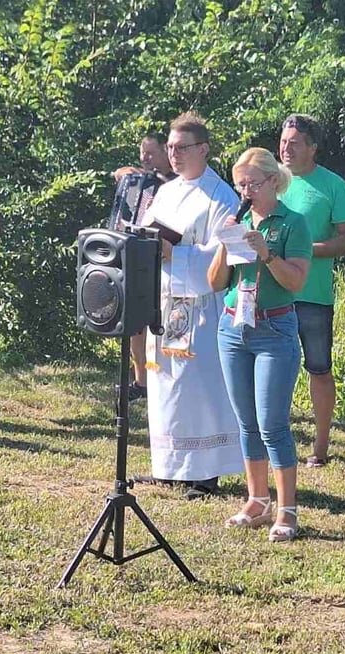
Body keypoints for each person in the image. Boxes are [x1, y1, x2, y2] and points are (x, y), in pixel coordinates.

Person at [139, 112, 243, 500]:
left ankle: (205, 473)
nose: (174, 154)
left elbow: (221, 259)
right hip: (166, 302)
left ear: (203, 149)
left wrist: (175, 253)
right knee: (166, 385)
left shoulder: (221, 197)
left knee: (197, 389)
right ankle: (169, 466)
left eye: (182, 148)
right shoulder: (166, 191)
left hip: (200, 306)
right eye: (170, 147)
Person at [209, 147, 311, 541]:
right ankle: (257, 499)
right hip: (233, 328)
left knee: (272, 423)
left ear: (274, 181)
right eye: (240, 184)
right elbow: (216, 283)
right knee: (246, 422)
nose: (246, 190)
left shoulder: (293, 223)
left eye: (252, 182)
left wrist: (265, 253)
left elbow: (296, 282)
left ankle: (287, 509)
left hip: (275, 328)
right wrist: (224, 241)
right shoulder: (238, 219)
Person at [277, 114, 345, 467]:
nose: (286, 149)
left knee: (318, 369)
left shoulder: (332, 185)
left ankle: (320, 447)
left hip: (312, 295)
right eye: (283, 142)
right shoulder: (270, 180)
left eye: (294, 144)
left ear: (312, 148)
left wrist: (305, 251)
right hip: (271, 294)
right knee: (270, 369)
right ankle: (272, 442)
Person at [112, 133, 177, 403]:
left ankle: (161, 380)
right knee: (134, 326)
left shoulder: (178, 183)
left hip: (166, 262)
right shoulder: (140, 181)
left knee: (160, 325)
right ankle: (141, 381)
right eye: (142, 152)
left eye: (150, 153)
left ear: (166, 152)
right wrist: (125, 172)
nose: (145, 158)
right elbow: (119, 173)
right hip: (136, 258)